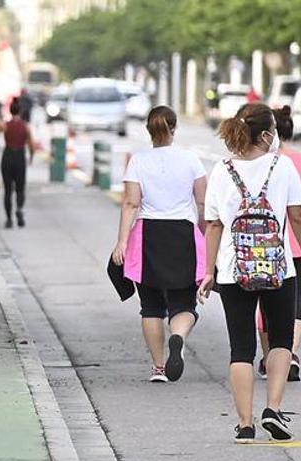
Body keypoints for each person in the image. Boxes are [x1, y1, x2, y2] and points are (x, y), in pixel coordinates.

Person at [198, 102, 301, 443]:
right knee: (281, 340)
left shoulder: (221, 170)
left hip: (232, 270)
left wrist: (209, 270)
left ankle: (245, 423)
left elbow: (213, 224)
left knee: (240, 347)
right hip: (279, 268)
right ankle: (273, 407)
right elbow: (296, 217)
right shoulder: (282, 166)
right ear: (268, 134)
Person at [111, 106, 207, 383]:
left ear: (148, 130)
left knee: (150, 306)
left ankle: (158, 367)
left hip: (148, 235)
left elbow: (131, 203)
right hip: (183, 235)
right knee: (184, 303)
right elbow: (202, 202)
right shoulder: (191, 159)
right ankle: (178, 336)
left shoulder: (138, 161)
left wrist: (122, 241)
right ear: (174, 129)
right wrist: (201, 232)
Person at [255, 105, 301, 382]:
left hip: (265, 246)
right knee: (297, 305)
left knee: (265, 305)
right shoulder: (296, 161)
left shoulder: (260, 164)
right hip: (297, 244)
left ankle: (268, 357)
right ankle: (291, 353)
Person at [0, 100, 35, 228]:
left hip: (8, 156)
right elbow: (32, 145)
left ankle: (9, 219)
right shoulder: (26, 126)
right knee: (20, 189)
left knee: (7, 190)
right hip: (20, 157)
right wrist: (31, 157)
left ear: (10, 111)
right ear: (20, 111)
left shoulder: (5, 125)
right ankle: (19, 209)